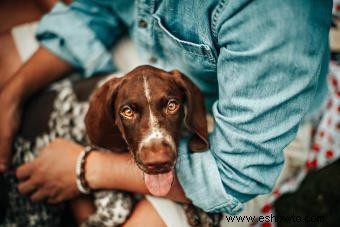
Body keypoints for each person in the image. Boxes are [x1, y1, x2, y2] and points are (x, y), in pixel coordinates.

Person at [0, 0, 333, 225]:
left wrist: (84, 168)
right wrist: (9, 98)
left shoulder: (277, 15)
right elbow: (96, 11)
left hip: (250, 127)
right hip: (144, 50)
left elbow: (235, 178)